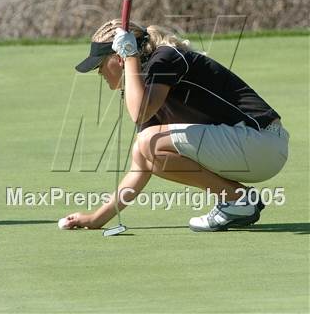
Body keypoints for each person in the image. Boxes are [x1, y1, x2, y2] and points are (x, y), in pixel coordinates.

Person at [62, 19, 289, 231]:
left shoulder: (165, 58)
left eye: (101, 63)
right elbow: (141, 166)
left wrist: (130, 57)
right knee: (143, 149)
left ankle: (236, 199)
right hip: (247, 148)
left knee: (149, 142)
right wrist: (96, 218)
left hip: (262, 141)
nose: (99, 71)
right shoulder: (144, 84)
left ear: (118, 56)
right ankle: (238, 198)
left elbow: (140, 114)